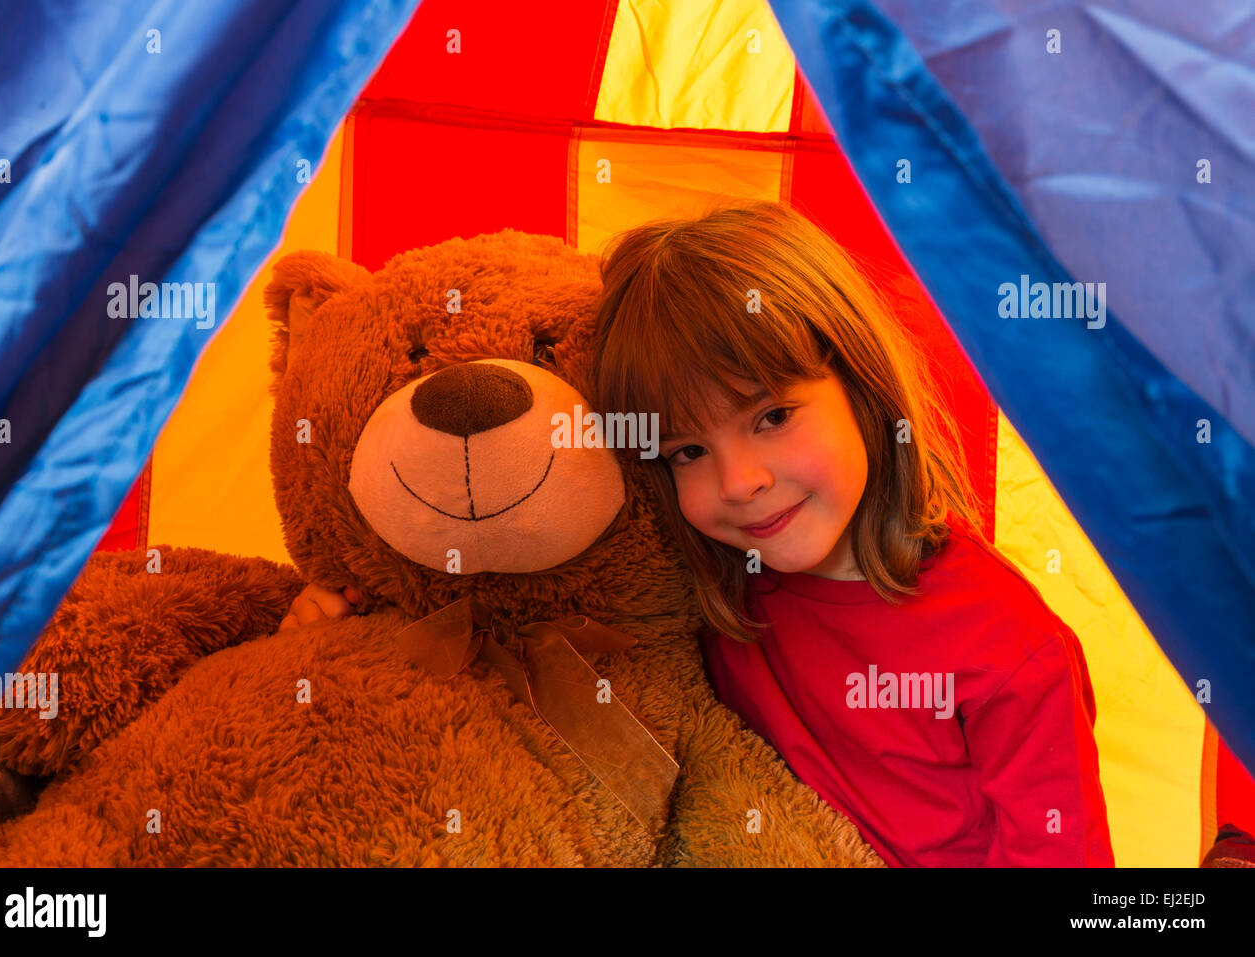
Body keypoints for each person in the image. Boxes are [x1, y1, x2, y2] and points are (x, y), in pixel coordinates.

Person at [285, 199, 1115, 867]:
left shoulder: (1008, 649)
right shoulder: (705, 581)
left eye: (772, 415)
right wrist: (345, 634)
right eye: (688, 450)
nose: (740, 482)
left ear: (862, 384)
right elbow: (516, 634)